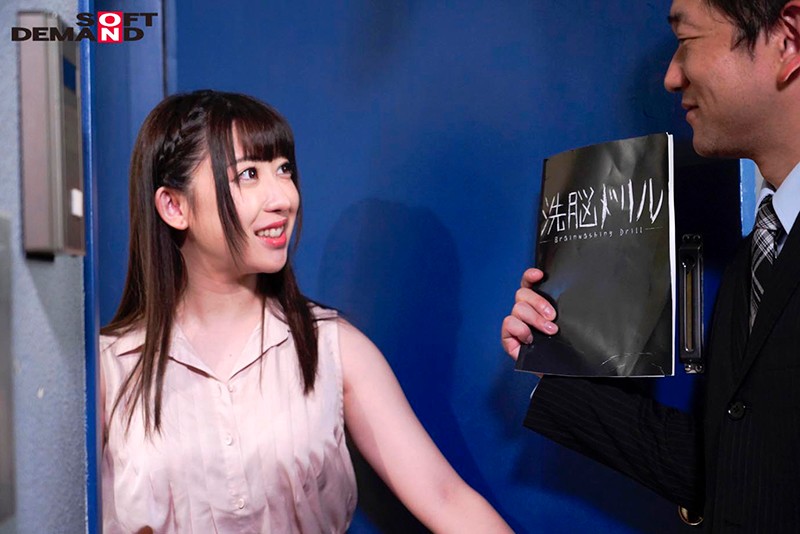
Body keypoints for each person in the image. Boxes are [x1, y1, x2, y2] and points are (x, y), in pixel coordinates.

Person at [100, 90, 511, 533]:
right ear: (174, 206)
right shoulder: (107, 369)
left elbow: (446, 498)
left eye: (284, 170)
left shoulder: (333, 348)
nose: (283, 197)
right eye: (249, 174)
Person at [501, 0, 800, 530]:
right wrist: (557, 365)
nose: (671, 77)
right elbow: (735, 470)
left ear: (788, 38)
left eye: (686, 41)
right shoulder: (756, 253)